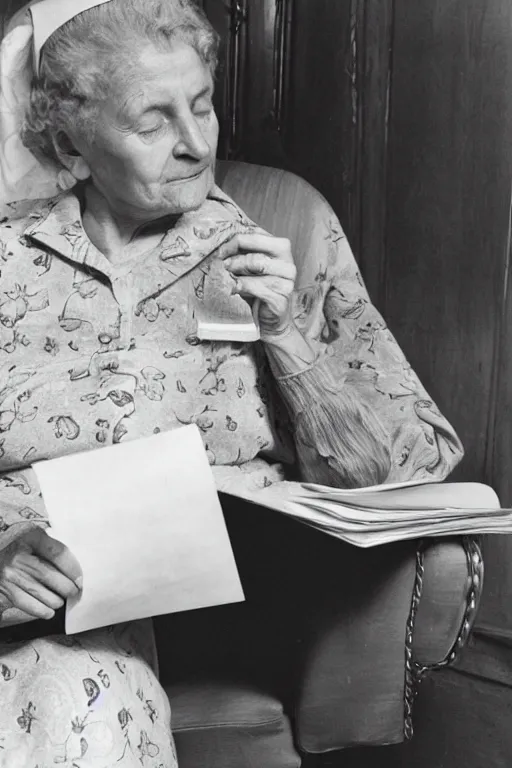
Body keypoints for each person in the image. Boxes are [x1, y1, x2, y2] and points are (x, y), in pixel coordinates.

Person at [0, 0, 463, 764]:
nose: (193, 143)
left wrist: (288, 339)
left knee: (70, 700)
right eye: (152, 123)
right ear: (70, 146)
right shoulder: (10, 259)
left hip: (149, 628)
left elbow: (399, 476)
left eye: (204, 106)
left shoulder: (275, 251)